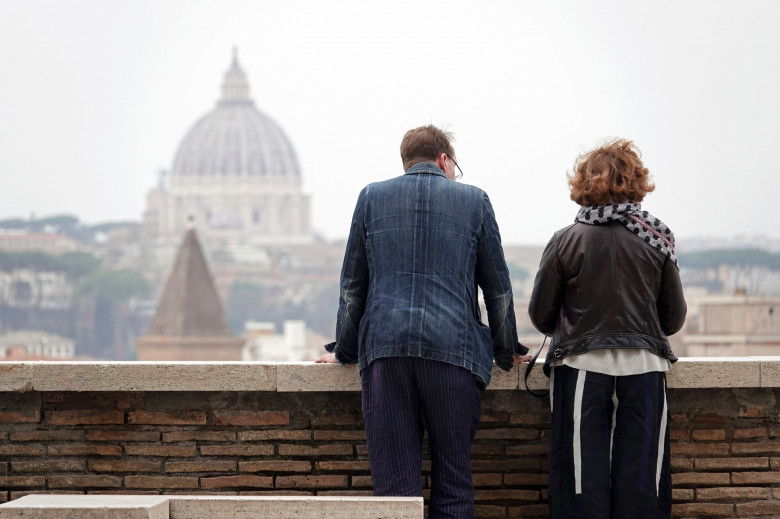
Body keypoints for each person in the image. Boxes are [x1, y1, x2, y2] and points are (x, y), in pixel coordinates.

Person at [316, 125, 529, 518]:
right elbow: (497, 290)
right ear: (444, 160)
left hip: (386, 353)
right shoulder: (475, 201)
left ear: (407, 162)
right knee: (453, 482)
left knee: (396, 494)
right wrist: (506, 351)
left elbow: (352, 288)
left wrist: (344, 352)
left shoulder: (371, 197)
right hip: (453, 353)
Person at [528, 138, 686, 519]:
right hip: (644, 371)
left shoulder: (565, 240)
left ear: (585, 184)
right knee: (643, 484)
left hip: (582, 369)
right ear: (636, 182)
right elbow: (673, 319)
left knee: (580, 483)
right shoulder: (658, 239)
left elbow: (540, 315)